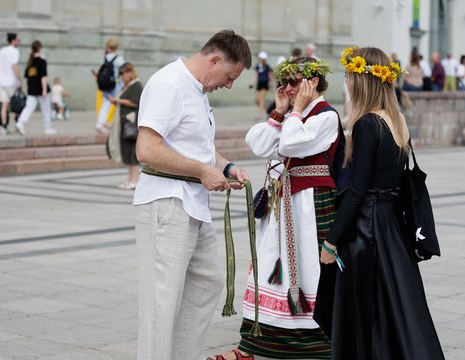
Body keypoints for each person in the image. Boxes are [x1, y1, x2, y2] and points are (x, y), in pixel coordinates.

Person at [133, 29, 252, 360]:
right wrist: (202, 172)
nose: (228, 86)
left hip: (192, 205)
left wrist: (226, 167)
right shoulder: (169, 84)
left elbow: (198, 147)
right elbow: (146, 149)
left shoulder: (196, 90)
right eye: (229, 76)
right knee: (162, 301)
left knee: (207, 282)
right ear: (214, 60)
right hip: (166, 203)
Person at [319, 46, 444, 359]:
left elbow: (359, 191)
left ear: (364, 81)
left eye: (349, 77)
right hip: (391, 228)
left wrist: (332, 242)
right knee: (395, 305)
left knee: (367, 310)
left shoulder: (366, 125)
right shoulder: (396, 120)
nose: (346, 83)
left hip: (367, 231)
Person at [211, 56, 338, 360]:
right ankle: (253, 344)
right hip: (282, 206)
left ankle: (318, 343)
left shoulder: (326, 116)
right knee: (269, 266)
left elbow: (292, 144)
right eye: (284, 82)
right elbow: (258, 144)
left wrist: (293, 112)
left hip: (309, 207)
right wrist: (280, 111)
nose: (287, 88)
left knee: (309, 269)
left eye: (294, 82)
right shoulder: (292, 116)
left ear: (313, 82)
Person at [107, 63, 143, 189]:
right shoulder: (128, 85)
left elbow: (135, 102)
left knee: (132, 153)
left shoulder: (136, 85)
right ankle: (130, 179)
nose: (122, 76)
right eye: (121, 73)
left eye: (124, 73)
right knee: (127, 152)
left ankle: (135, 180)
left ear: (130, 72)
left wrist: (117, 100)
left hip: (131, 124)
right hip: (125, 123)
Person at [15, 41, 56, 136]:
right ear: (40, 49)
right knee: (46, 109)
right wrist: (44, 90)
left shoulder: (30, 62)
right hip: (41, 90)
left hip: (31, 90)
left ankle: (20, 123)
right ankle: (48, 128)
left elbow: (27, 77)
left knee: (28, 108)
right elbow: (43, 77)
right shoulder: (42, 62)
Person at [95, 38, 125, 135]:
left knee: (105, 104)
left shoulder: (105, 57)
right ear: (116, 47)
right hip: (116, 86)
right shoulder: (119, 59)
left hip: (106, 85)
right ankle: (116, 123)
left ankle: (101, 123)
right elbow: (124, 70)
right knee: (118, 104)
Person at [0, 33, 22, 135]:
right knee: (16, 104)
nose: (19, 41)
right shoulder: (14, 51)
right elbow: (14, 65)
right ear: (13, 40)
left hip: (1, 82)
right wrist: (19, 80)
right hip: (11, 81)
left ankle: (4, 126)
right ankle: (18, 125)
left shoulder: (1, 51)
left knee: (4, 105)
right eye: (18, 40)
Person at [250, 51, 273, 121]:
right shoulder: (258, 66)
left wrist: (270, 85)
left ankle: (259, 115)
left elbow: (270, 77)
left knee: (261, 100)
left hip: (265, 84)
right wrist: (252, 83)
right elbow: (256, 76)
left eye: (262, 59)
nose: (261, 60)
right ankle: (266, 110)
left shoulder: (267, 66)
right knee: (258, 100)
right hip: (259, 84)